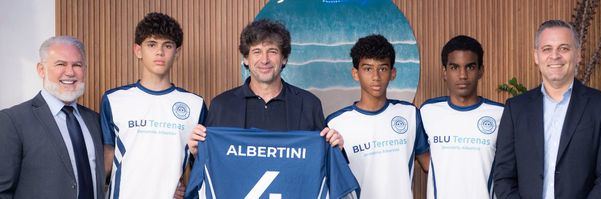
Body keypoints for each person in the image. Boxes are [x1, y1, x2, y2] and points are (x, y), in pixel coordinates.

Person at [493, 19, 601, 198]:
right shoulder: (516, 109)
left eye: (564, 48)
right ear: (536, 56)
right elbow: (503, 176)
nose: (555, 56)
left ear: (578, 55)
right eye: (547, 49)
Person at [188, 19, 342, 155]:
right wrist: (197, 153)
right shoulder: (222, 105)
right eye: (257, 52)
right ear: (246, 59)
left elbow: (321, 162)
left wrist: (336, 149)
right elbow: (211, 165)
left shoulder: (309, 104)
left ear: (284, 59)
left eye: (272, 51)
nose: (264, 60)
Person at [99, 12, 207, 199]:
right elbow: (106, 160)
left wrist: (187, 192)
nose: (160, 52)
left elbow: (202, 165)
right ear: (138, 51)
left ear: (177, 52)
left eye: (167, 45)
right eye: (152, 44)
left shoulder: (195, 105)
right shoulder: (114, 99)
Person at [325, 34, 429, 198]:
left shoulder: (409, 114)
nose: (376, 77)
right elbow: (330, 179)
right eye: (368, 69)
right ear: (355, 73)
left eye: (382, 68)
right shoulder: (335, 124)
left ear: (392, 73)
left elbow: (429, 164)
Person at [0, 36, 104, 198]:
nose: (70, 72)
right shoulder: (13, 121)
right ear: (41, 69)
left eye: (77, 65)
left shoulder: (95, 121)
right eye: (60, 64)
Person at [420, 35, 503, 199]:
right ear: (445, 72)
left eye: (470, 67)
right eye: (455, 67)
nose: (463, 75)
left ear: (481, 71)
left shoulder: (501, 114)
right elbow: (424, 160)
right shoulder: (428, 111)